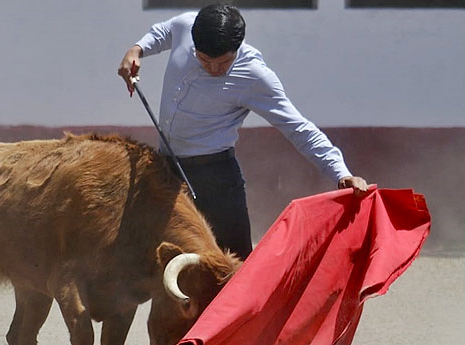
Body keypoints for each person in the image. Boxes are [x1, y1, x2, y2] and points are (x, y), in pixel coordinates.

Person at [118, 3, 368, 260]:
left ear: (237, 48)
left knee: (234, 269)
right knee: (148, 261)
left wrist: (341, 172)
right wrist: (137, 49)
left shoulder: (254, 75)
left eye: (224, 62)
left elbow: (298, 127)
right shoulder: (185, 26)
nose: (214, 69)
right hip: (165, 171)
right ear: (193, 43)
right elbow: (164, 31)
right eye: (205, 60)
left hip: (215, 180)